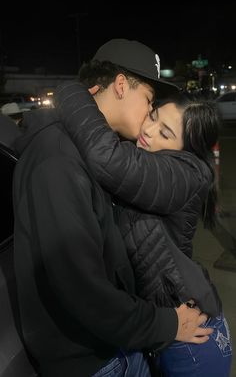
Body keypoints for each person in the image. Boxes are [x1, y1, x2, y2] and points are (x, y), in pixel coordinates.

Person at [13, 39, 213, 377]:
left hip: (111, 344)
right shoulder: (58, 158)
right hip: (94, 360)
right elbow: (85, 291)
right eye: (149, 101)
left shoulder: (85, 148)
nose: (149, 119)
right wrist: (166, 325)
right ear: (121, 85)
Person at [54, 64, 232, 375]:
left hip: (193, 338)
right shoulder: (149, 160)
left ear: (186, 150)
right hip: (166, 328)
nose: (148, 131)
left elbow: (104, 157)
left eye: (166, 132)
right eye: (153, 115)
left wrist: (71, 91)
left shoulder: (181, 175)